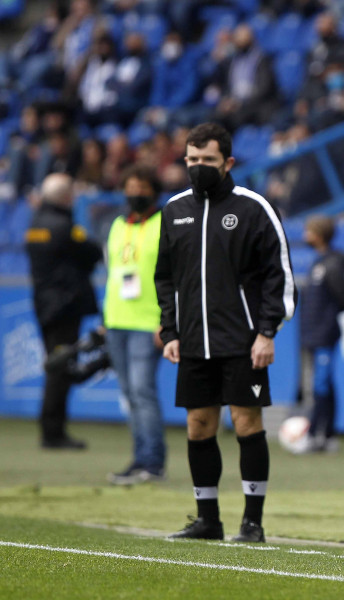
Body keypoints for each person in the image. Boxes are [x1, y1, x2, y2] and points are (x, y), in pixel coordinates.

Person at [155, 123, 296, 542]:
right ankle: (207, 520)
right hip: (193, 341)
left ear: (228, 162)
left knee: (247, 423)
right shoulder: (174, 210)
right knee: (199, 425)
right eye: (192, 161)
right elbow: (165, 277)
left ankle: (252, 523)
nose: (198, 168)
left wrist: (267, 331)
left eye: (208, 161)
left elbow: (280, 275)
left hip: (243, 340)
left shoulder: (254, 208)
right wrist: (170, 329)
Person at [25, 173, 103, 449]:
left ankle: (51, 429)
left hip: (44, 303)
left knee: (55, 364)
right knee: (60, 368)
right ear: (65, 196)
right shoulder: (64, 226)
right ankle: (53, 432)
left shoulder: (35, 224)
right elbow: (92, 252)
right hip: (64, 305)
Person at [104, 165, 166, 485]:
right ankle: (140, 457)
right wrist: (106, 319)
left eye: (142, 187)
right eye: (130, 187)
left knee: (142, 391)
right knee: (130, 393)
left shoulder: (164, 224)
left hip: (148, 321)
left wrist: (166, 321)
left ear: (154, 191)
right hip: (117, 319)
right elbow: (114, 273)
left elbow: (174, 277)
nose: (135, 193)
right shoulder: (117, 225)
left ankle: (152, 461)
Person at [297, 215, 344, 453]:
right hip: (312, 334)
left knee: (321, 385)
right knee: (322, 385)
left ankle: (314, 436)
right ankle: (327, 435)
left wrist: (326, 321)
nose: (304, 236)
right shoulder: (318, 263)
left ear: (318, 234)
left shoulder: (331, 265)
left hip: (324, 334)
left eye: (308, 231)